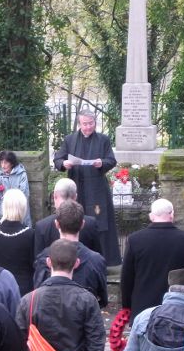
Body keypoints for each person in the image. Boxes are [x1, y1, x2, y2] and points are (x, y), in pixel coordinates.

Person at [16, 239, 106, 351]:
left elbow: (18, 345)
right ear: (77, 263)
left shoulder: (28, 300)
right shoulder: (87, 300)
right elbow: (95, 346)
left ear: (48, 262)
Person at [53, 108, 121, 266]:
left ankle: (102, 260)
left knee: (99, 221)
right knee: (74, 220)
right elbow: (58, 159)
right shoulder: (70, 140)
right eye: (85, 124)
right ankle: (74, 257)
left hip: (96, 187)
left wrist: (101, 163)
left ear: (95, 123)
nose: (88, 127)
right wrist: (64, 163)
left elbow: (111, 160)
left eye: (91, 123)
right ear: (79, 124)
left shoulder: (103, 139)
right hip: (76, 185)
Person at [121, 198, 184, 321]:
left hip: (143, 308)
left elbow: (127, 277)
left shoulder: (135, 240)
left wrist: (127, 305)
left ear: (151, 216)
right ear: (172, 214)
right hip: (176, 308)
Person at [33, 200, 108, 307]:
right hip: (84, 318)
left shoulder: (44, 258)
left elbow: (37, 293)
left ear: (56, 224)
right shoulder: (96, 260)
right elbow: (102, 299)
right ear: (82, 224)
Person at [34, 177, 102, 255]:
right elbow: (98, 256)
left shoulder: (42, 226)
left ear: (54, 196)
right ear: (75, 197)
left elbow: (38, 261)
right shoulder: (91, 223)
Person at [0, 189, 34, 296]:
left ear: (4, 206)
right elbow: (33, 264)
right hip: (22, 288)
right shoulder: (30, 234)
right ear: (23, 207)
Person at [0, 150, 31, 226]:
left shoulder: (21, 175)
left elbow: (24, 195)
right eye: (1, 162)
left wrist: (13, 213)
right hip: (2, 216)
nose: (3, 165)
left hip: (19, 215)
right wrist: (5, 212)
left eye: (6, 163)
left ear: (12, 163)